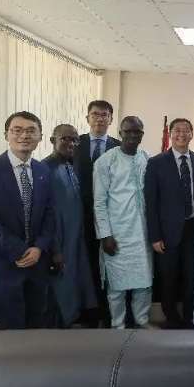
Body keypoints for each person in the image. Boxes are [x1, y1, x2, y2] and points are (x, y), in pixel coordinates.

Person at [0, 111, 55, 329]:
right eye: (17, 130)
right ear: (6, 135)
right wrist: (20, 251)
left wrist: (39, 248)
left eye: (31, 131)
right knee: (10, 332)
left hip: (36, 263)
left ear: (40, 137)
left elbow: (50, 214)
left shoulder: (43, 171)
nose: (24, 135)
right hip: (2, 264)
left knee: (36, 325)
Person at [93, 116, 154, 330]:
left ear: (142, 134)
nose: (132, 136)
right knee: (117, 284)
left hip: (143, 232)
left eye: (137, 132)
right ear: (120, 133)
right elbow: (99, 202)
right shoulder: (106, 161)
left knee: (144, 282)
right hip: (117, 232)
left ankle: (142, 320)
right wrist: (105, 235)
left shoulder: (146, 158)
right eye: (128, 131)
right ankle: (117, 324)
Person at [145, 118, 194, 329]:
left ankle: (190, 318)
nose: (181, 134)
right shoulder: (156, 162)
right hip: (167, 232)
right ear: (170, 134)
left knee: (192, 277)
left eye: (186, 130)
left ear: (192, 134)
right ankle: (171, 318)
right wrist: (154, 236)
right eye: (177, 130)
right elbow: (150, 202)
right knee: (168, 277)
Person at [42, 124, 97, 328]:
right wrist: (54, 248)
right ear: (52, 140)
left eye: (74, 139)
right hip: (59, 241)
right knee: (60, 288)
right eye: (65, 138)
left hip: (76, 239)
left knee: (75, 283)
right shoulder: (44, 169)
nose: (71, 143)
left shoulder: (70, 166)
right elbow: (45, 214)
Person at [73, 100, 120, 327]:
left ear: (111, 119)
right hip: (80, 216)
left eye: (104, 115)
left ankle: (108, 312)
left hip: (111, 218)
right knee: (86, 264)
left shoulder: (120, 147)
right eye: (95, 114)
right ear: (87, 118)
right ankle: (87, 313)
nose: (99, 119)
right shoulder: (74, 144)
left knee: (109, 266)